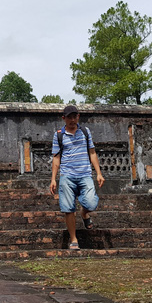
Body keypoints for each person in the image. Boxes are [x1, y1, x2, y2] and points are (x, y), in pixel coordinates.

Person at [49, 105, 105, 250]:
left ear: (78, 117)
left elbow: (92, 153)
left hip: (85, 174)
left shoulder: (85, 132)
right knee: (68, 209)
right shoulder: (59, 135)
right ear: (64, 118)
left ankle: (84, 213)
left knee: (91, 203)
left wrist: (98, 173)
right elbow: (56, 158)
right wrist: (53, 179)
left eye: (75, 116)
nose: (72, 120)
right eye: (69, 117)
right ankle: (74, 239)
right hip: (67, 176)